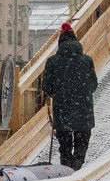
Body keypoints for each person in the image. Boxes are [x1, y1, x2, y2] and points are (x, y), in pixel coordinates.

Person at [41, 22, 98, 170]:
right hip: (83, 109)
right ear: (76, 41)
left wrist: (58, 93)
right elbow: (93, 85)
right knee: (82, 141)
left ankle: (66, 169)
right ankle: (78, 165)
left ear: (60, 43)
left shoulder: (52, 62)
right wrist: (81, 93)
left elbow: (47, 87)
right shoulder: (87, 60)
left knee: (65, 145)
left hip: (62, 110)